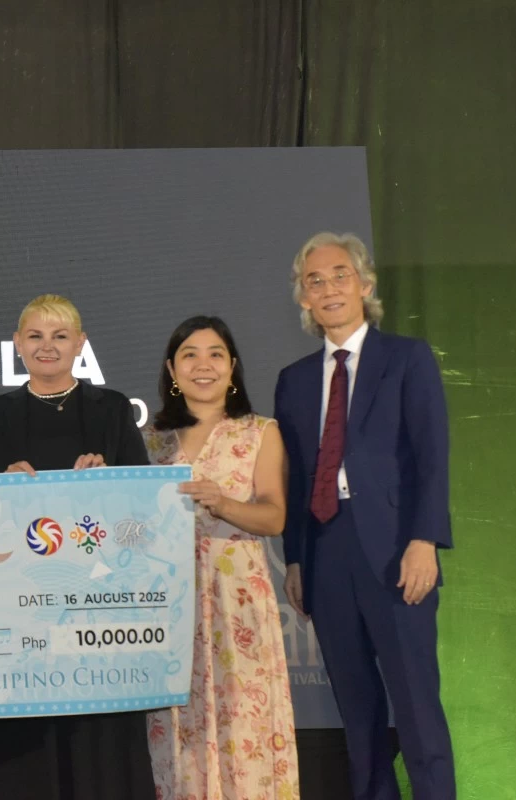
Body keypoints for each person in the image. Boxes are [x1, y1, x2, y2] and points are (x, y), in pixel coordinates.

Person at [275, 232, 455, 800]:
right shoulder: (294, 379)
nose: (328, 288)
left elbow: (432, 456)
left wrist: (425, 538)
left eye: (339, 275)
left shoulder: (407, 358)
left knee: (418, 710)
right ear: (303, 298)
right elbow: (297, 476)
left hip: (398, 552)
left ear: (365, 285)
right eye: (314, 280)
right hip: (327, 556)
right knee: (359, 715)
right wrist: (298, 560)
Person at [0, 294, 155, 800]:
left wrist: (111, 484)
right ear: (17, 344)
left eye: (60, 336)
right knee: (28, 748)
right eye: (35, 336)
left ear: (81, 343)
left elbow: (143, 517)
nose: (47, 347)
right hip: (23, 610)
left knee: (102, 746)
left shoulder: (112, 410)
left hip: (102, 611)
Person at [143, 315, 299, 800]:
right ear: (172, 369)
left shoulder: (260, 431)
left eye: (215, 354)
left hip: (236, 603)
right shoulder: (152, 440)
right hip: (170, 604)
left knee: (244, 722)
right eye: (190, 354)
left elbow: (275, 518)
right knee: (179, 730)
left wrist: (223, 502)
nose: (203, 365)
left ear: (233, 367)